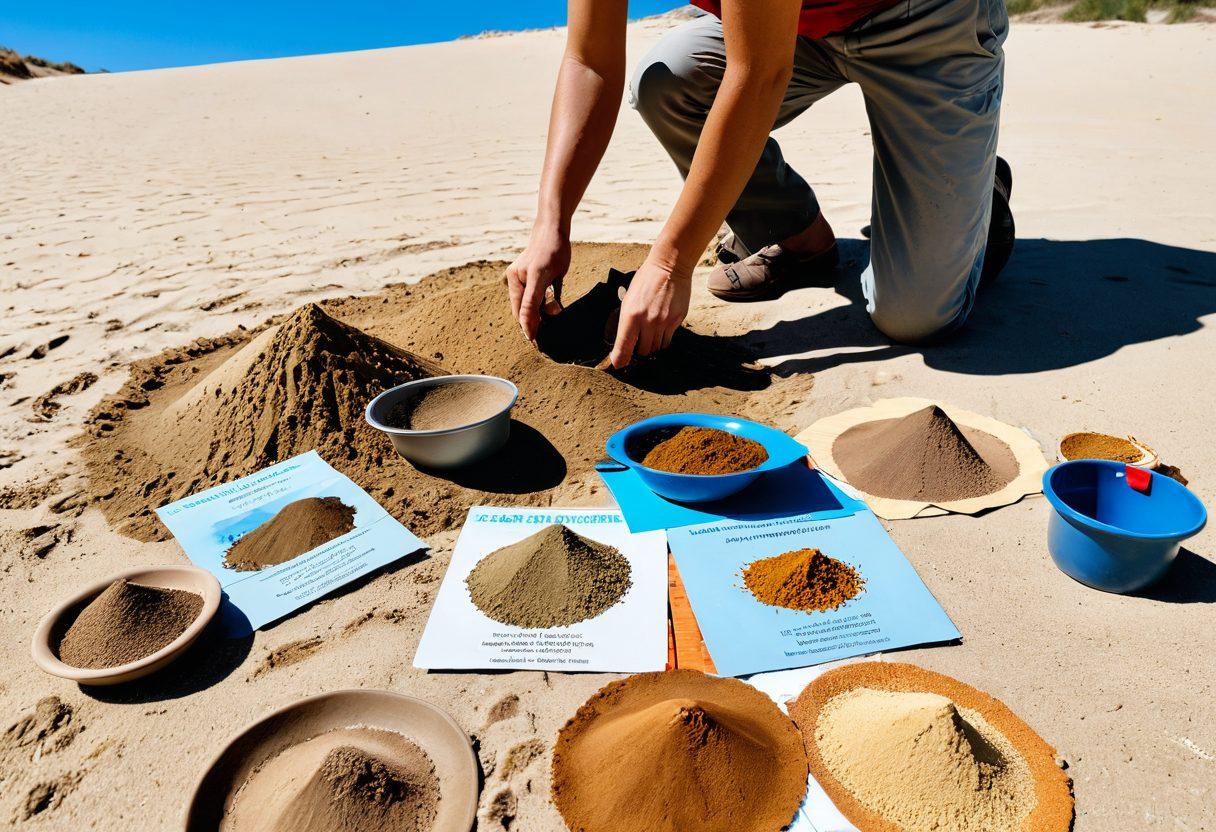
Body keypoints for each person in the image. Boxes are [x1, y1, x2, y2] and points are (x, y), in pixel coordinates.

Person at [506, 0, 1010, 368]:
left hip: (922, 18)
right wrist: (552, 222)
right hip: (788, 24)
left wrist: (669, 264)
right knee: (667, 83)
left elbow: (759, 73)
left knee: (916, 319)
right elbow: (590, 60)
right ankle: (801, 241)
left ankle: (978, 198)